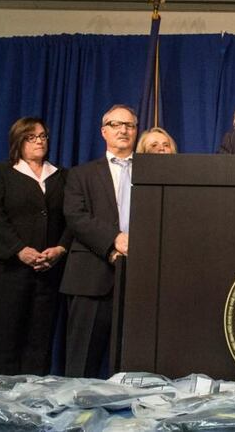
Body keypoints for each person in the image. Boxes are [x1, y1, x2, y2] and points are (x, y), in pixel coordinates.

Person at [0, 117, 71, 375]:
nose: (39, 141)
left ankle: (34, 402)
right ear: (18, 142)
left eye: (42, 136)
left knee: (39, 339)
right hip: (7, 270)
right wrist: (20, 249)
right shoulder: (1, 173)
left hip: (48, 271)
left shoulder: (62, 176)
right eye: (31, 137)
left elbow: (72, 219)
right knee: (4, 336)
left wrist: (60, 249)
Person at [61, 104, 138, 377]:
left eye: (129, 125)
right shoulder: (81, 174)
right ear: (104, 131)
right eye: (116, 125)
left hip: (141, 280)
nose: (123, 130)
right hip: (92, 277)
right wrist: (114, 241)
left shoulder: (152, 171)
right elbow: (75, 217)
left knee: (134, 366)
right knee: (82, 364)